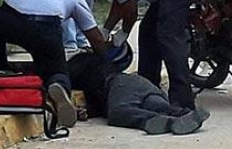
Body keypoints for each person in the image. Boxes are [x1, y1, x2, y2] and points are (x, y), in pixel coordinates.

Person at [66, 0, 205, 114]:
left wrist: (122, 34)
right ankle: (148, 90)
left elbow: (130, 8)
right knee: (147, 33)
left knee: (168, 35)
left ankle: (183, 102)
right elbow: (120, 0)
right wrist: (107, 30)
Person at [0, 0, 108, 128]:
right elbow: (97, 41)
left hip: (9, 20)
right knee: (57, 70)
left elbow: (7, 5)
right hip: (45, 28)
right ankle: (59, 86)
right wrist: (106, 57)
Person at [67, 52, 210, 135]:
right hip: (140, 83)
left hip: (118, 84)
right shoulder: (97, 62)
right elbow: (101, 105)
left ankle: (159, 121)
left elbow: (107, 103)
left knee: (119, 113)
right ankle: (185, 114)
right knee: (155, 104)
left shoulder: (78, 67)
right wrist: (87, 112)